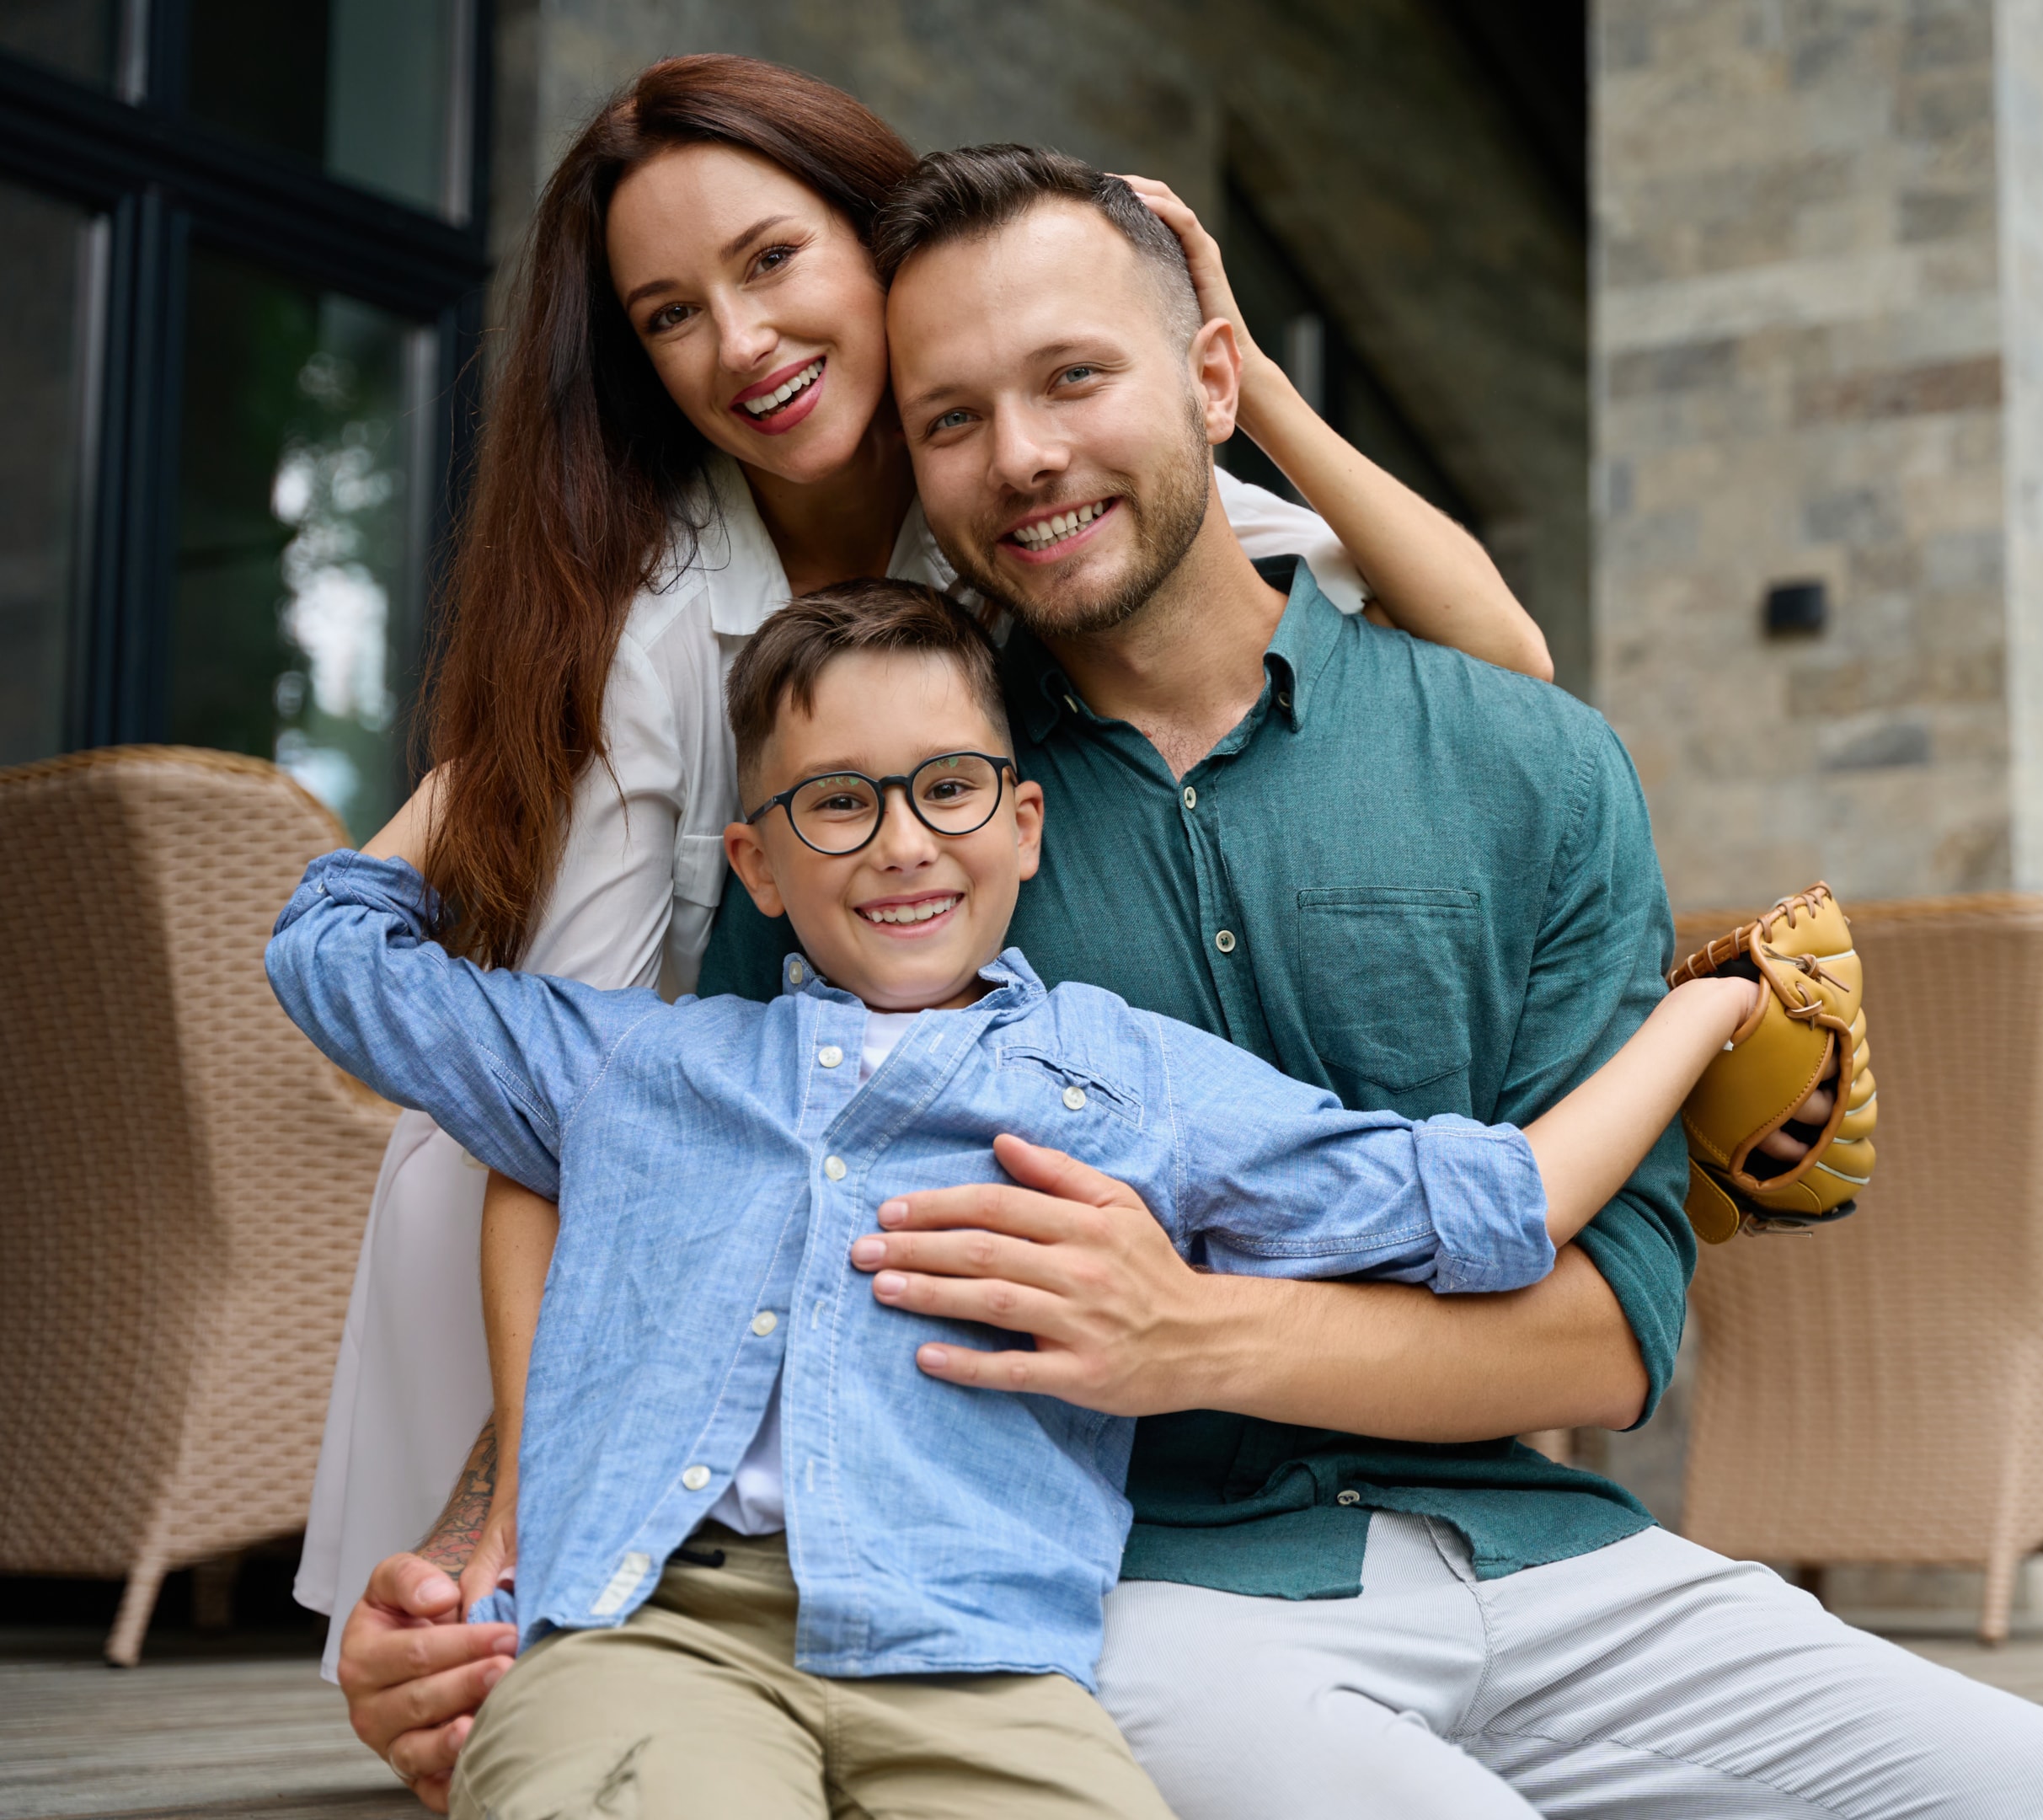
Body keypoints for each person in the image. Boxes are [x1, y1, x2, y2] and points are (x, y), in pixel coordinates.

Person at [341, 133, 2043, 1820]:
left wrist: (1192, 1332)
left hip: (1546, 1551)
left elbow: (1611, 1340)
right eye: (951, 416)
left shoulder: (1521, 762)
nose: (1024, 456)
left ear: (1212, 381)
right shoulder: (901, 828)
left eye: (1075, 377)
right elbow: (692, 1183)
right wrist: (497, 1550)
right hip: (1141, 1588)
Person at [302, 54, 1554, 1787]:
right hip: (611, 1268)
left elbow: (1508, 677)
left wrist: (1233, 369)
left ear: (881, 256)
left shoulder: (1022, 502)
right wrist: (522, 1517)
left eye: (771, 262)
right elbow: (552, 1131)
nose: (737, 342)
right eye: (669, 313)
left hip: (872, 1345)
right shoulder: (656, 624)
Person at [268, 578, 1769, 1820]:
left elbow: (1488, 1203)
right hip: (657, 1629)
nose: (906, 842)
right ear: (759, 865)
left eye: (948, 788)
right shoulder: (636, 1064)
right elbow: (329, 956)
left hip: (986, 1660)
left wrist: (1707, 1015)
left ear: (1025, 823)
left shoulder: (1129, 1086)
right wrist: (526, 731)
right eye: (837, 804)